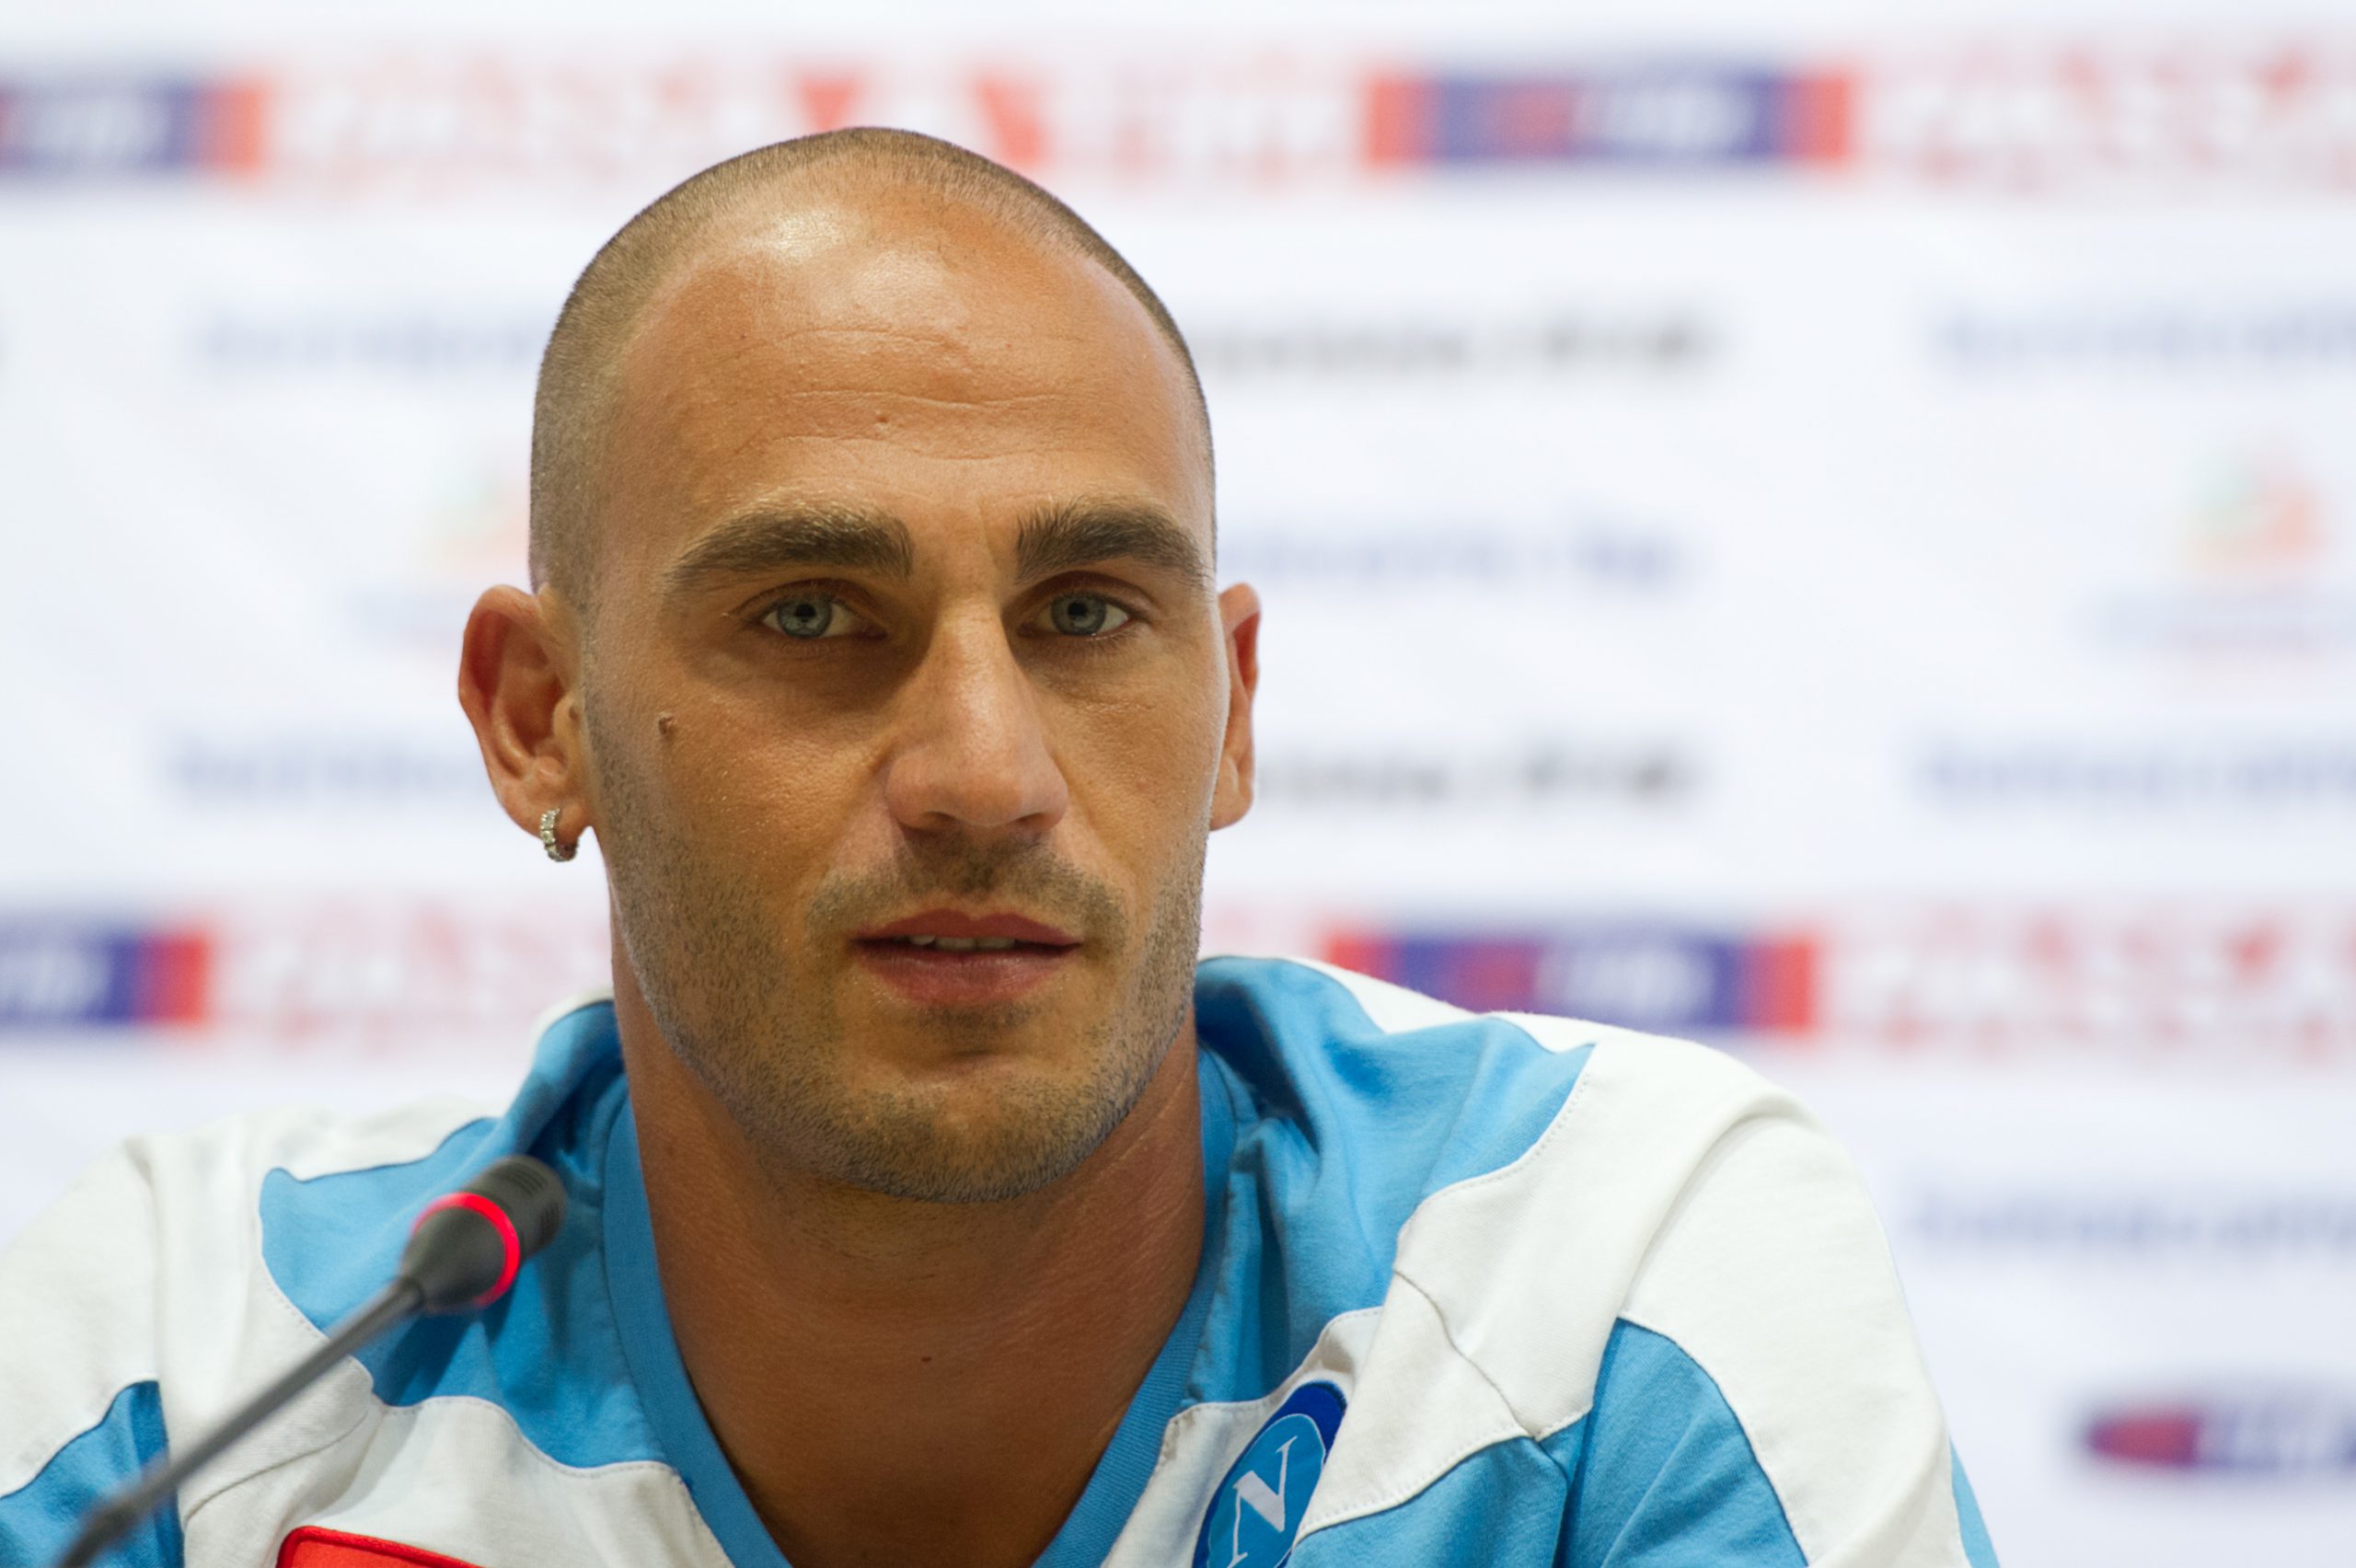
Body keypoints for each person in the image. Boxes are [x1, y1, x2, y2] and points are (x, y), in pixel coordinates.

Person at [0, 129, 1998, 1568]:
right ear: (544, 724)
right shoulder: (193, 1365)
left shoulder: (1605, 1284)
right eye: (808, 616)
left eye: (1083, 617)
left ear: (1226, 712)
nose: (980, 770)